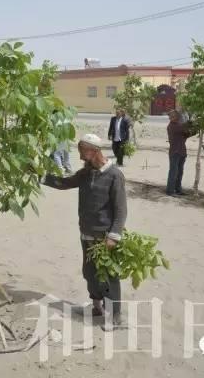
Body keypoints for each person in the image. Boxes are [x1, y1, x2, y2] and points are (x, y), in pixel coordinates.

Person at [44, 134, 127, 322]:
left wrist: (114, 235)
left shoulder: (114, 175)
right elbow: (64, 184)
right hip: (86, 233)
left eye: (83, 152)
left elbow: (121, 209)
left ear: (94, 151)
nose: (80, 157)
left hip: (105, 236)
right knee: (89, 272)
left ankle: (114, 315)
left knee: (108, 276)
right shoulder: (86, 173)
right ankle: (97, 307)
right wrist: (40, 176)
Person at [166, 110, 195, 196]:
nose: (175, 118)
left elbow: (188, 133)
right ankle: (170, 190)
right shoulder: (173, 126)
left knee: (179, 172)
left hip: (181, 151)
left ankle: (178, 189)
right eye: (172, 117)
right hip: (175, 152)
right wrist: (192, 123)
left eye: (175, 116)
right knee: (174, 172)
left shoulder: (179, 126)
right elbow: (186, 129)